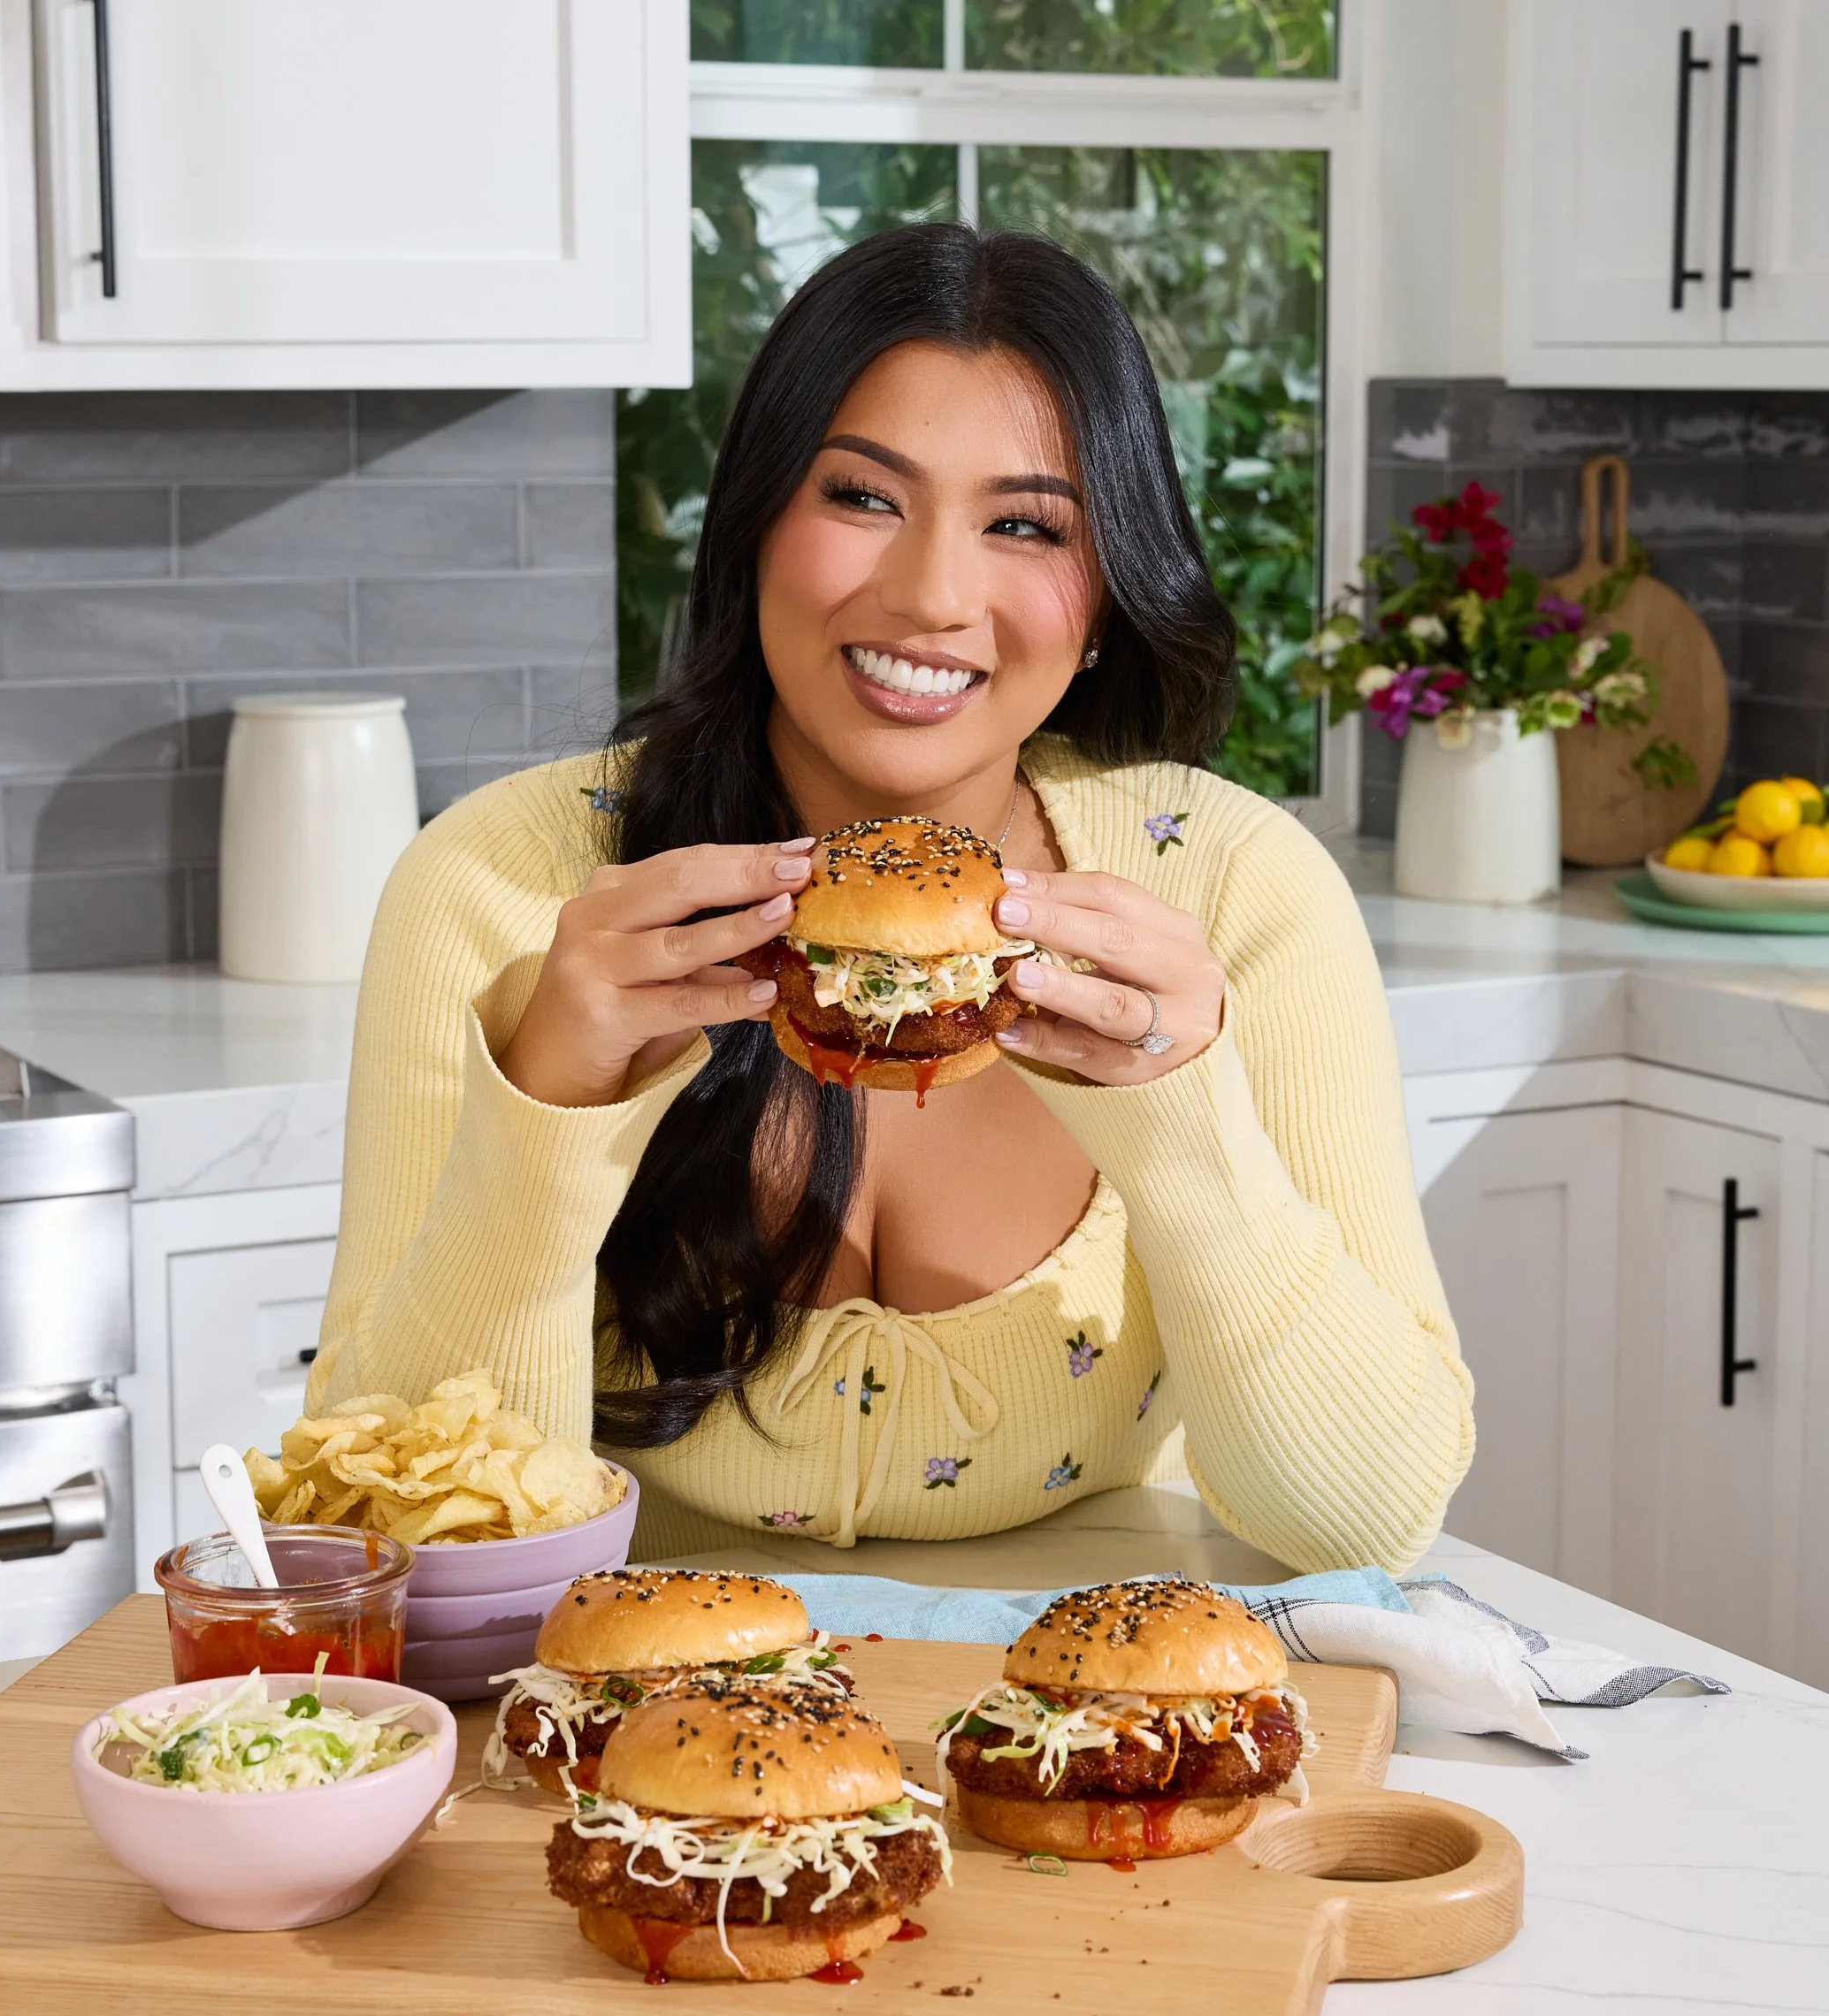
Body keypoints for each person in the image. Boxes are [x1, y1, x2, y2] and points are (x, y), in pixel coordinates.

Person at [310, 225, 1473, 1576]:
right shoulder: (502, 884)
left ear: (1106, 595)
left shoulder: (1230, 887)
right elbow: (374, 1536)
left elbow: (1365, 1526)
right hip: (634, 1687)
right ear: (753, 524)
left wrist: (1184, 1121)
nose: (929, 596)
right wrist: (548, 1109)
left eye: (1024, 524)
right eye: (862, 498)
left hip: (1089, 1684)